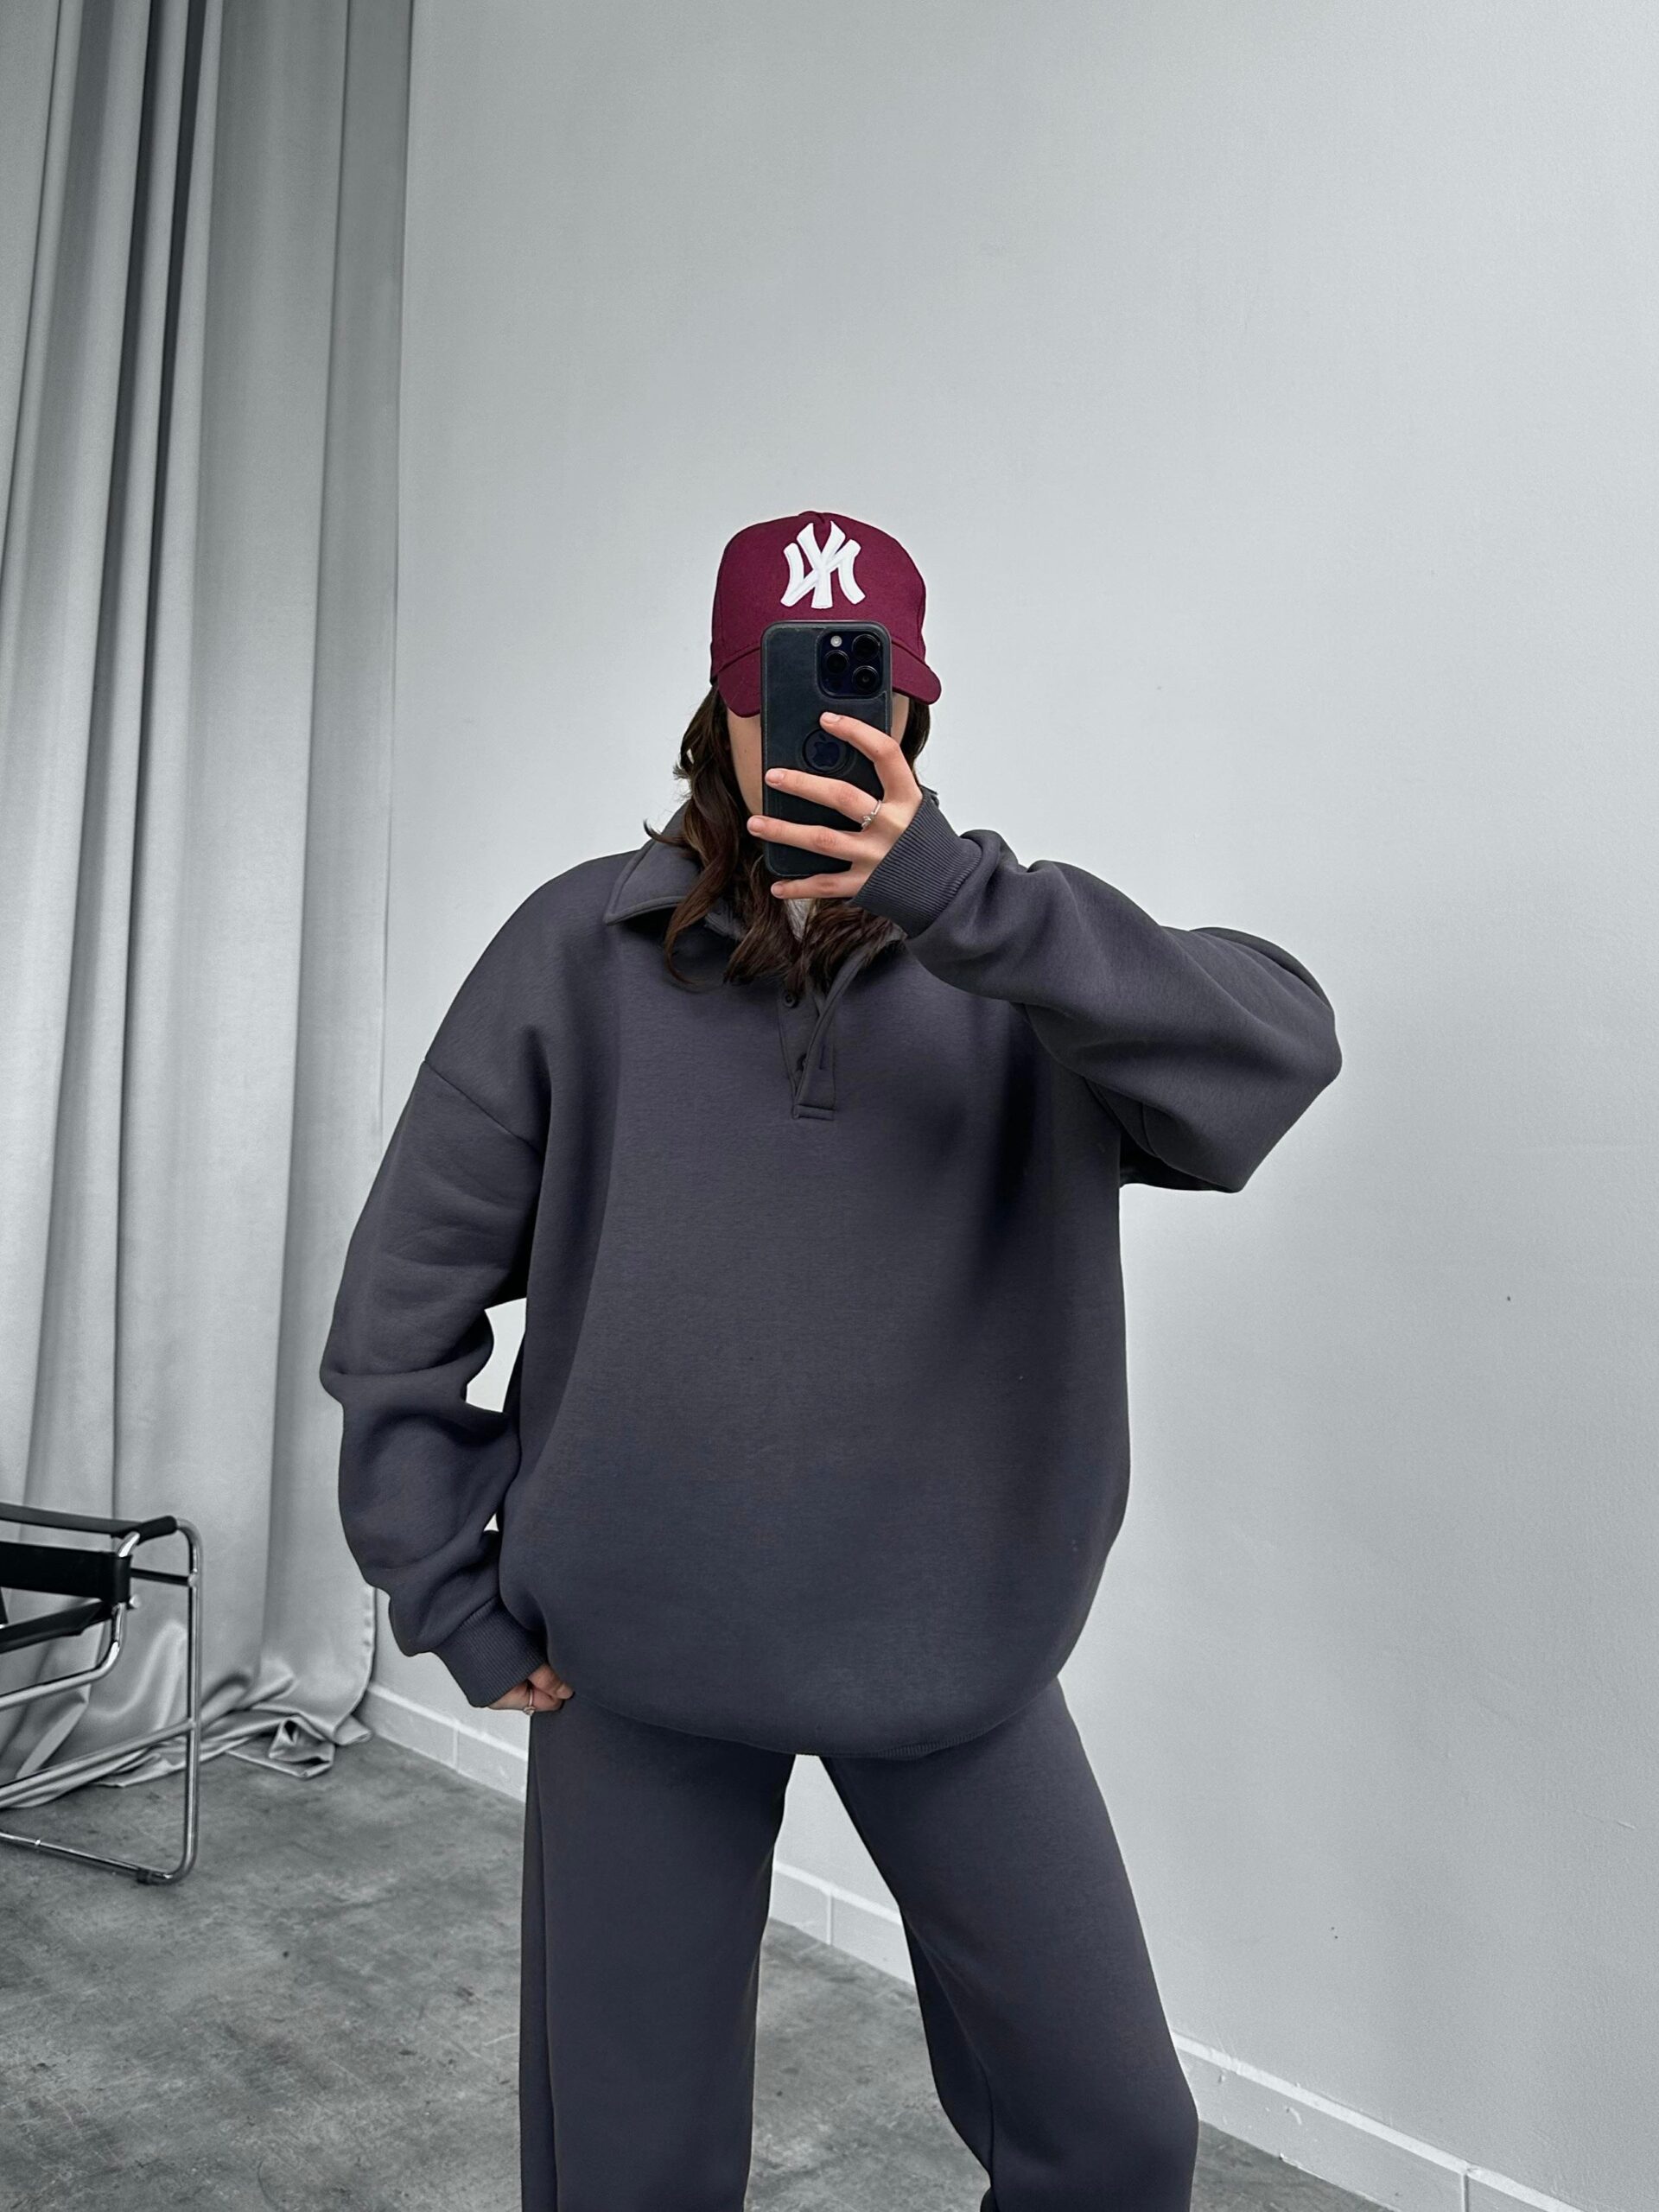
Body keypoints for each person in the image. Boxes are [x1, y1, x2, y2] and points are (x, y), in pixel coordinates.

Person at [319, 508, 1343, 2212]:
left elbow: (1277, 1053)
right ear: (717, 709)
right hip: (634, 1661)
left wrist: (960, 901)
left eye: (856, 689)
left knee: (1114, 2135)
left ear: (914, 707)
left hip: (955, 1659)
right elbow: (404, 1294)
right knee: (629, 2175)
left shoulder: (1024, 962)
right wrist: (449, 1590)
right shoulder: (575, 953)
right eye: (771, 694)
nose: (808, 731)